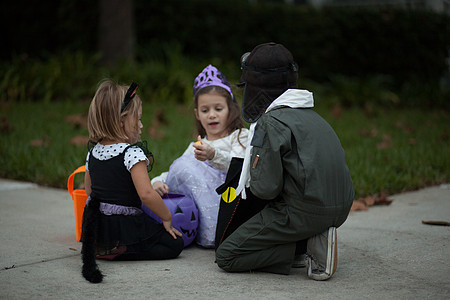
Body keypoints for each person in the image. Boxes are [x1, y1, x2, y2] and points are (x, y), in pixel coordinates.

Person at [215, 43, 354, 281]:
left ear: (254, 88)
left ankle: (306, 247)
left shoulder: (271, 122)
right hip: (341, 208)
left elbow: (265, 189)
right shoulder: (313, 115)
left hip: (306, 212)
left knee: (228, 254)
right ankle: (309, 238)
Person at [81, 80, 184, 283]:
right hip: (124, 226)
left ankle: (104, 247)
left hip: (97, 227)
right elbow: (146, 195)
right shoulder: (132, 153)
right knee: (175, 245)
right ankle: (124, 249)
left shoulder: (93, 152)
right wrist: (166, 218)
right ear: (121, 121)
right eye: (138, 119)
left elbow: (89, 190)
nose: (141, 125)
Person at [151, 65, 248, 248]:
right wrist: (157, 181)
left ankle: (220, 230)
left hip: (231, 206)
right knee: (183, 165)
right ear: (197, 114)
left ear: (231, 108)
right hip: (205, 213)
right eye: (205, 110)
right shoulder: (196, 146)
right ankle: (201, 229)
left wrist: (213, 155)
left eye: (218, 109)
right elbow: (176, 171)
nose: (211, 115)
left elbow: (241, 166)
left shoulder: (240, 137)